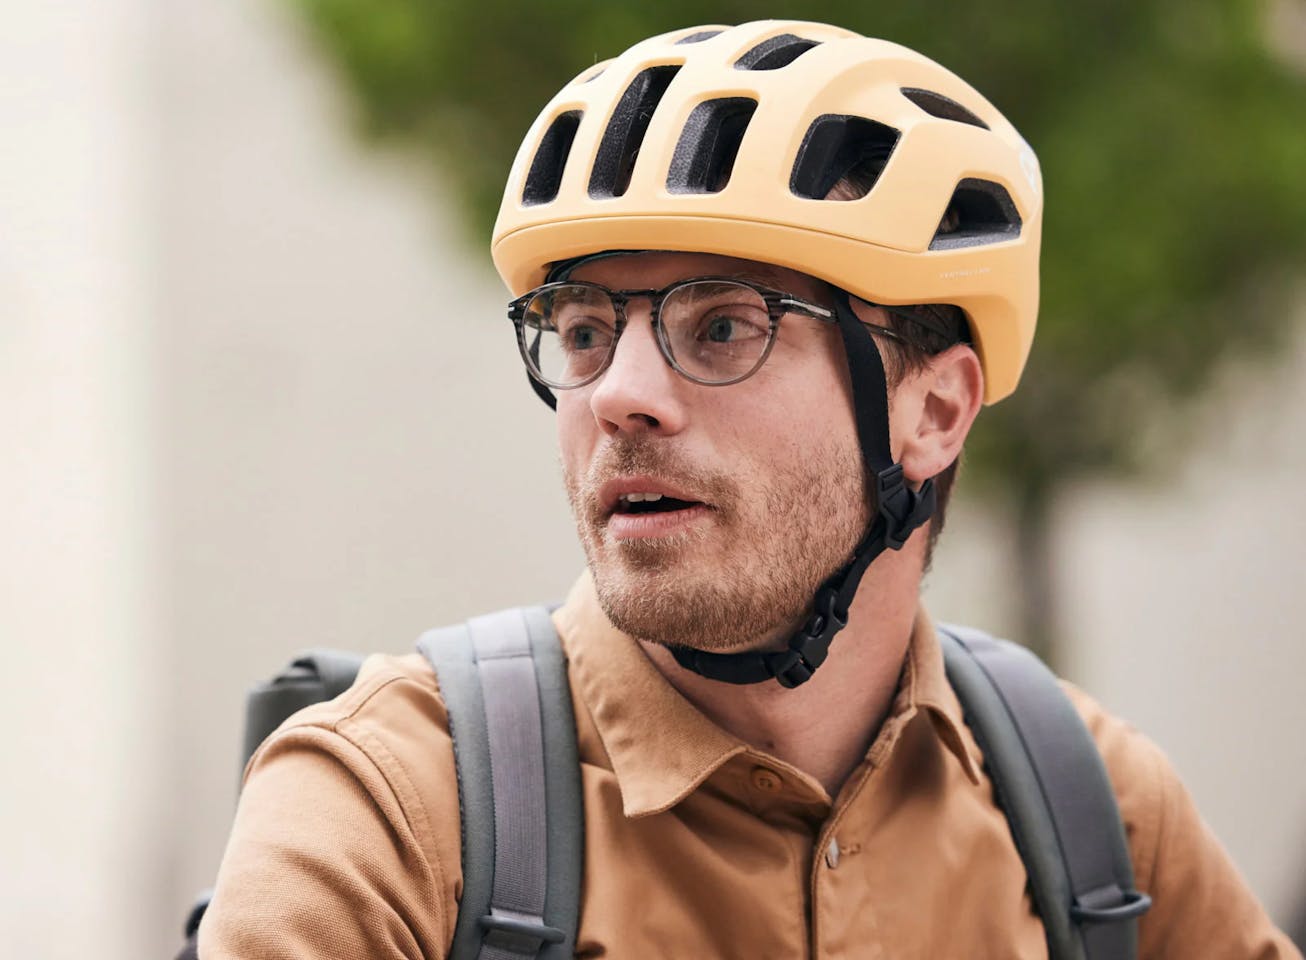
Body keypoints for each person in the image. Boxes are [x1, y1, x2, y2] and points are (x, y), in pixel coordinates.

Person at [198, 20, 1300, 959]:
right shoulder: (392, 810)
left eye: (721, 325)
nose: (620, 394)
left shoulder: (1089, 811)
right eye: (582, 330)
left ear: (933, 410)